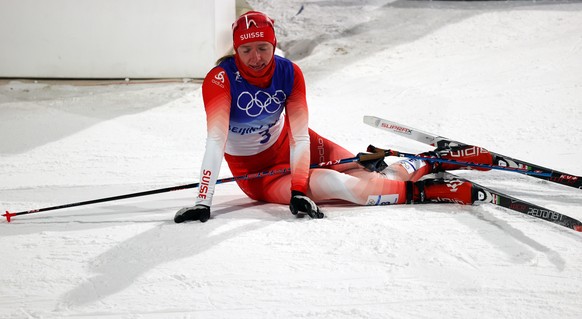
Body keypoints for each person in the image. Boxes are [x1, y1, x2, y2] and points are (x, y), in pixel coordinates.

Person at [174, 11, 493, 223]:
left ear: (274, 45)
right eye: (246, 51)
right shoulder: (220, 80)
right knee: (343, 186)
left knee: (366, 167)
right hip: (260, 176)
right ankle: (431, 191)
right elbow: (215, 142)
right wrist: (204, 201)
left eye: (262, 48)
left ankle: (431, 161)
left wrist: (300, 188)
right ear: (235, 50)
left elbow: (300, 136)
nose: (255, 58)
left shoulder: (289, 72)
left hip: (296, 145)